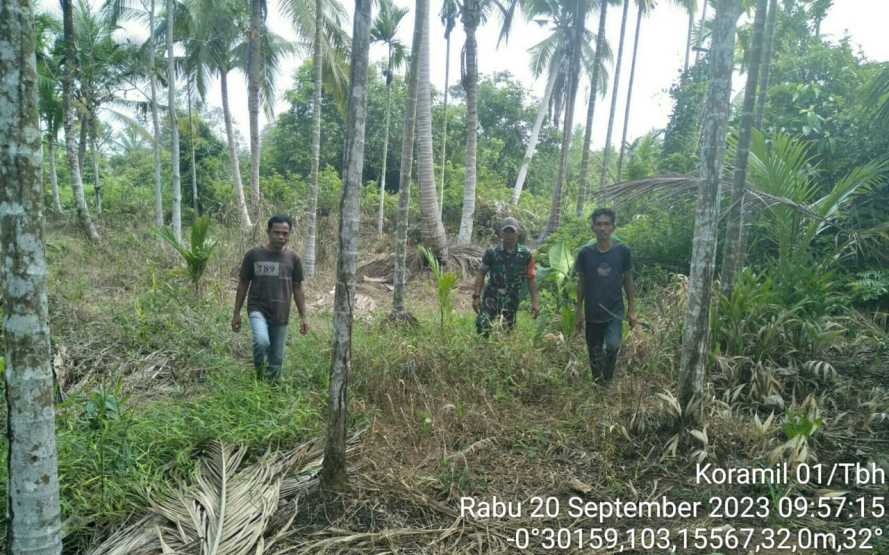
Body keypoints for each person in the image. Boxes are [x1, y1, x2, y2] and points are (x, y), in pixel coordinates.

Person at [232, 215, 309, 380]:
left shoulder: (293, 259)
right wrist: (236, 313)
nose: (281, 237)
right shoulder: (254, 255)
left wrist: (303, 317)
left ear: (289, 234)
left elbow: (297, 287)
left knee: (276, 360)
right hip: (257, 309)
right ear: (268, 232)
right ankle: (259, 377)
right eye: (277, 232)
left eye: (285, 233)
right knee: (261, 342)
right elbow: (243, 283)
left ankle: (271, 391)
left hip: (281, 314)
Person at [574, 208, 637, 383]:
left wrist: (632, 309)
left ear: (613, 228)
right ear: (593, 228)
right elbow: (581, 283)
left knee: (612, 346)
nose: (603, 228)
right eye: (599, 224)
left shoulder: (623, 251)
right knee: (594, 353)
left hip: (614, 312)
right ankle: (598, 385)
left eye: (606, 224)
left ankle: (607, 380)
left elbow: (628, 281)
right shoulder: (585, 253)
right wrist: (578, 310)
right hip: (593, 312)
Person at [472, 217, 540, 334]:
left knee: (507, 330)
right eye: (506, 231)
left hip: (511, 298)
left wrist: (535, 302)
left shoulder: (526, 254)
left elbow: (531, 279)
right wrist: (476, 296)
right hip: (492, 296)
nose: (509, 235)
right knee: (482, 325)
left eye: (512, 231)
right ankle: (483, 349)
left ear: (517, 233)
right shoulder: (491, 252)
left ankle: (501, 350)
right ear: (501, 233)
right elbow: (481, 273)